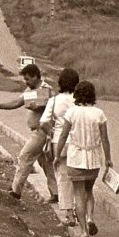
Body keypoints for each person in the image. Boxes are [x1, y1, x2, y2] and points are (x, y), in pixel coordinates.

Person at [0, 64, 58, 201]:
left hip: (41, 131)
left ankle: (15, 192)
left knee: (24, 157)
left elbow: (49, 105)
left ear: (36, 76)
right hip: (37, 131)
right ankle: (55, 193)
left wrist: (37, 106)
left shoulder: (46, 89)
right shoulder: (30, 90)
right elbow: (17, 102)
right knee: (45, 162)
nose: (26, 82)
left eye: (27, 79)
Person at [54, 81, 113, 237]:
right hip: (93, 160)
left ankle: (84, 231)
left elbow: (63, 136)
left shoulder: (72, 113)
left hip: (76, 158)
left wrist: (57, 155)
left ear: (76, 95)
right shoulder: (99, 113)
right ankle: (90, 218)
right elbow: (105, 139)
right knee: (89, 190)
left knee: (78, 194)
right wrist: (108, 159)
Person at [40, 68, 80, 226]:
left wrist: (51, 133)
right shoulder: (78, 99)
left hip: (59, 143)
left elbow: (43, 122)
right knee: (77, 177)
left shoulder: (54, 101)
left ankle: (69, 214)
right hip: (77, 142)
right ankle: (80, 211)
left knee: (63, 178)